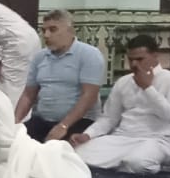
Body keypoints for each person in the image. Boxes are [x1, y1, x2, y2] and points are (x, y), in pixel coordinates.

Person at [72, 36, 170, 175]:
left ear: (155, 55)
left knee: (138, 163)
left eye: (139, 59)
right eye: (130, 59)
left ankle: (129, 162)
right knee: (75, 153)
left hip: (158, 140)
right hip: (122, 138)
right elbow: (109, 118)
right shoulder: (123, 81)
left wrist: (147, 88)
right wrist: (88, 135)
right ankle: (123, 163)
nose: (134, 64)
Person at [16, 9, 105, 143]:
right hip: (43, 120)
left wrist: (63, 126)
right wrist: (15, 122)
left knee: (55, 149)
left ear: (70, 31)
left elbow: (89, 96)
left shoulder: (89, 54)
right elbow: (28, 95)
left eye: (53, 30)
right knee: (14, 142)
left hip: (80, 121)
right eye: (43, 30)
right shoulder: (40, 57)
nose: (46, 35)